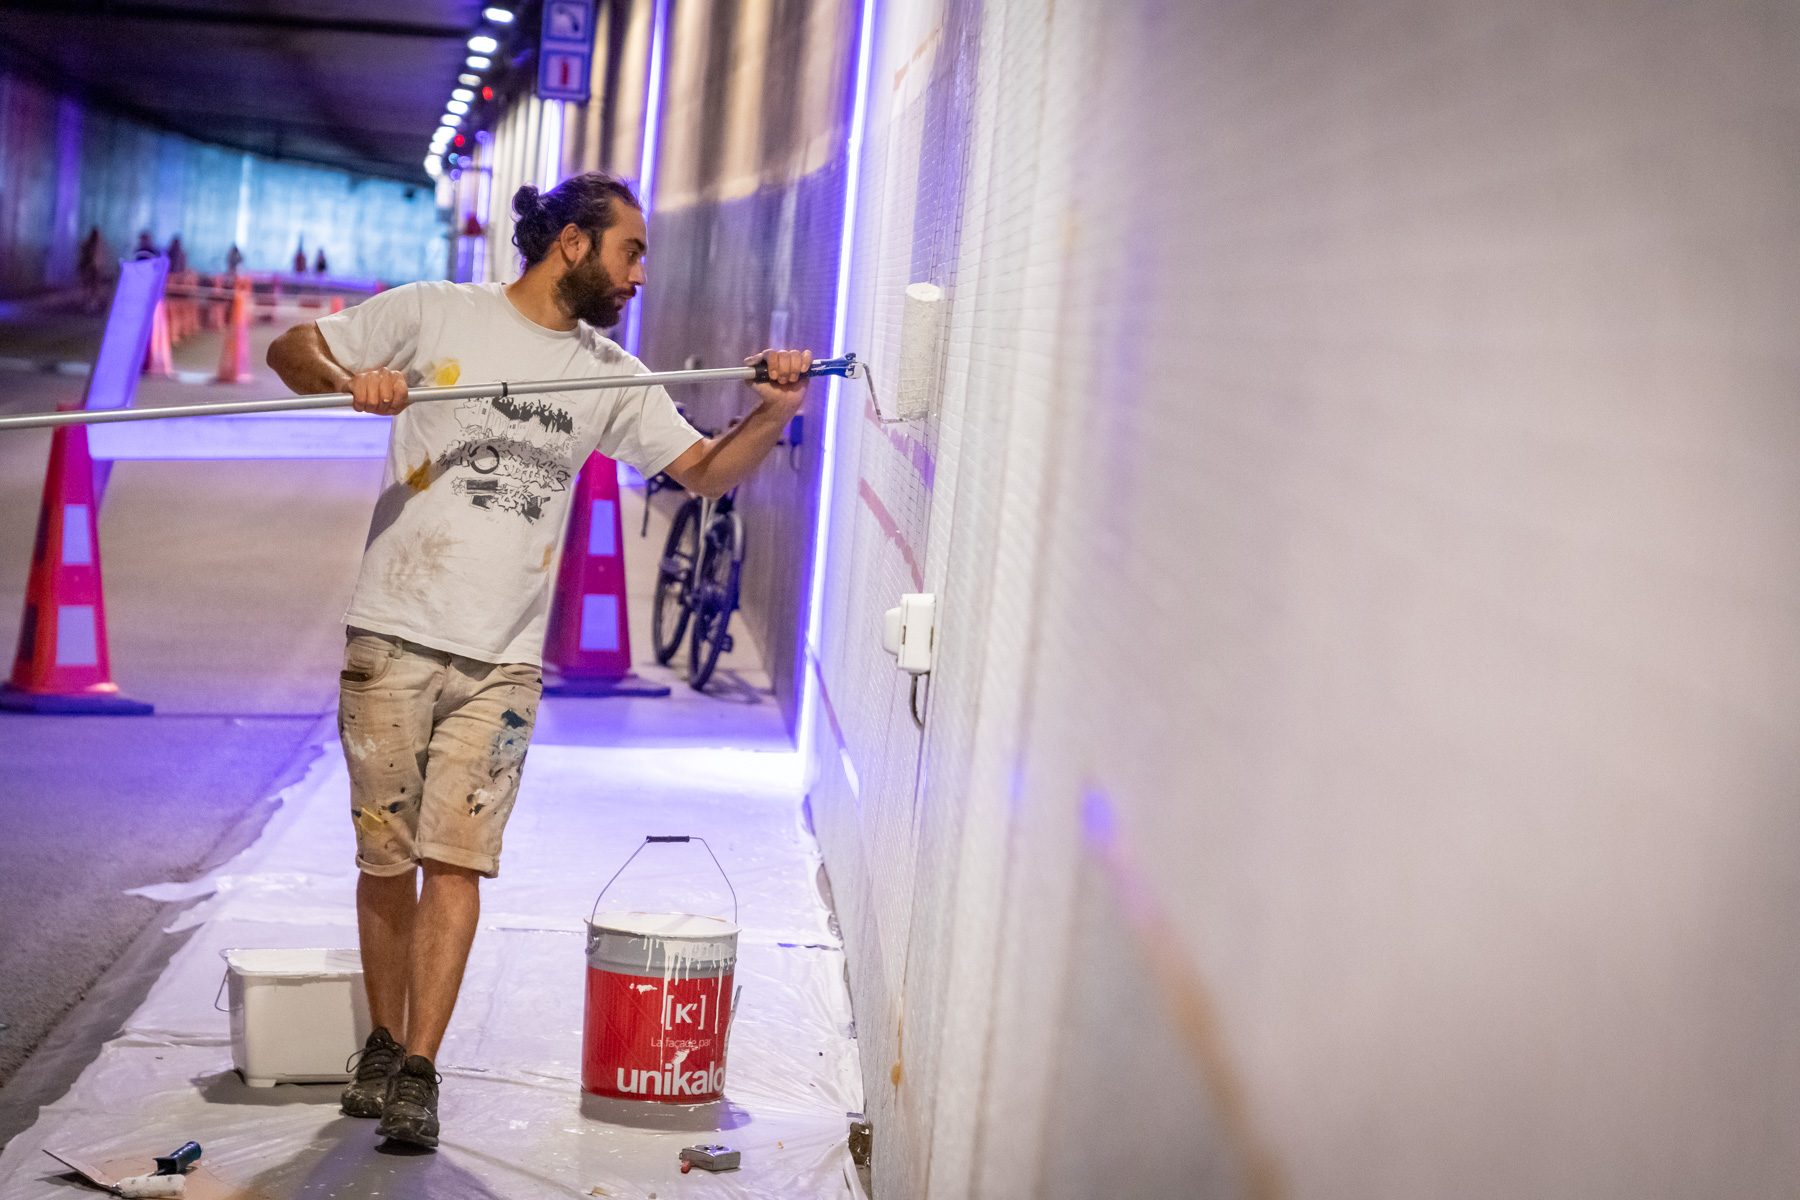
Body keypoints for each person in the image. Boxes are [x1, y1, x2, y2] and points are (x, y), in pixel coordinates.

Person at [265, 171, 811, 1150]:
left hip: (503, 662)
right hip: (392, 630)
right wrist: (351, 380)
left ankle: (419, 1071)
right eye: (630, 250)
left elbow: (703, 472)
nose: (641, 273)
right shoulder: (437, 313)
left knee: (457, 862)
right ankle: (383, 1044)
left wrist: (770, 416)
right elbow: (291, 346)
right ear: (571, 243)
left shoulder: (611, 373)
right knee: (386, 861)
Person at [77, 227, 103, 312]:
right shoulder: (91, 245)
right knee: (92, 286)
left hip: (90, 267)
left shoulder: (88, 244)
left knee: (89, 285)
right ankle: (90, 302)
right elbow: (92, 257)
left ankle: (89, 302)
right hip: (91, 267)